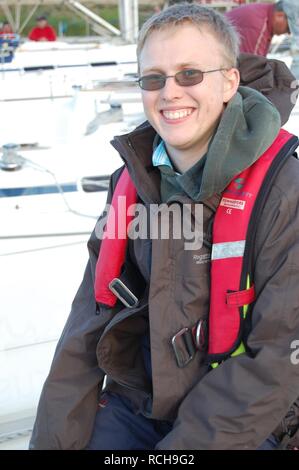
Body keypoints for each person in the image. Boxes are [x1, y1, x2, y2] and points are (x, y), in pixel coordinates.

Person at [30, 3, 299, 450]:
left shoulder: (285, 191)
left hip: (251, 417)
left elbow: (277, 357)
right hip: (142, 405)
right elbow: (86, 325)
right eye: (154, 78)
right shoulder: (129, 183)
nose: (170, 92)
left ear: (229, 81)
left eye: (190, 74)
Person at [225, 0, 299, 56]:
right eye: (288, 28)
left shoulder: (264, 14)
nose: (289, 33)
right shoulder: (259, 25)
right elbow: (250, 68)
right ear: (279, 15)